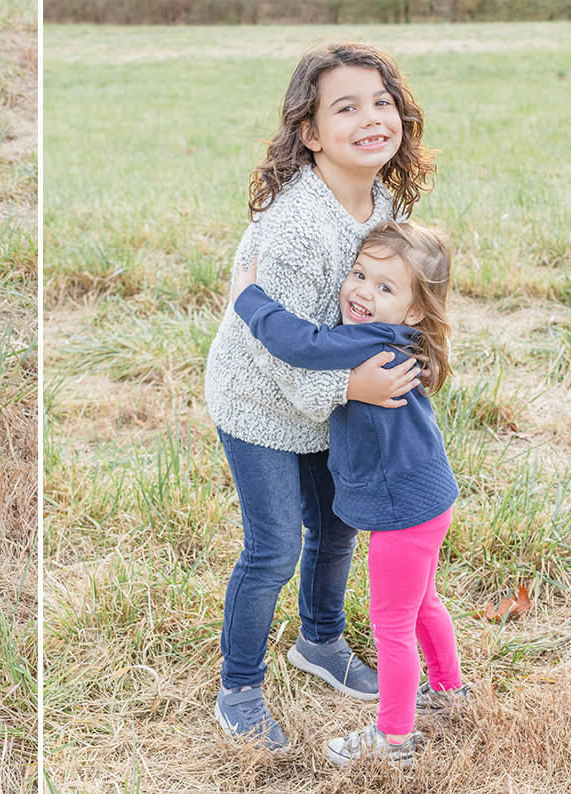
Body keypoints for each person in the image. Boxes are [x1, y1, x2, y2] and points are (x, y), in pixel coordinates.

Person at [204, 42, 438, 750]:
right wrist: (353, 384)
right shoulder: (299, 230)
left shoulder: (384, 203)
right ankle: (239, 686)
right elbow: (278, 347)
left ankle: (321, 642)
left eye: (382, 102)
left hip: (330, 403)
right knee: (272, 549)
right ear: (308, 133)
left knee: (335, 527)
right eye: (346, 108)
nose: (372, 118)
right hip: (261, 404)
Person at [230, 221, 469, 767]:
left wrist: (249, 299)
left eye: (386, 287)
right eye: (359, 274)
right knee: (422, 604)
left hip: (402, 513)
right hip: (430, 498)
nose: (363, 291)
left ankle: (394, 739)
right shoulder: (404, 335)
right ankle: (449, 691)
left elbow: (302, 344)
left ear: (414, 309)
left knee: (391, 625)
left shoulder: (370, 339)